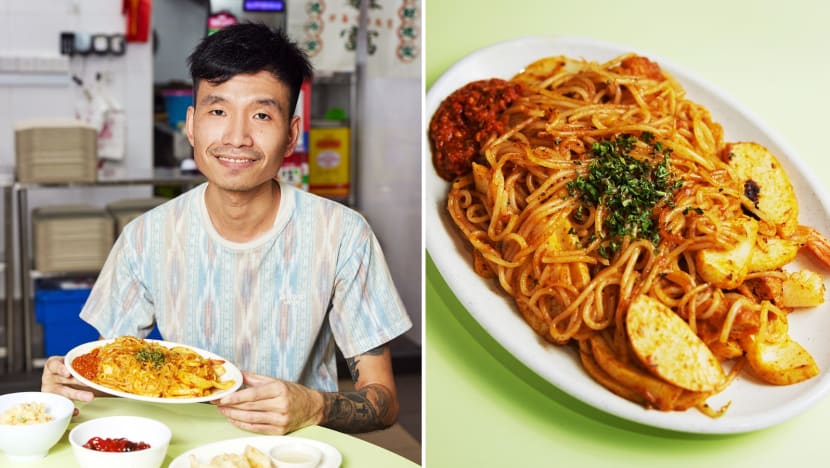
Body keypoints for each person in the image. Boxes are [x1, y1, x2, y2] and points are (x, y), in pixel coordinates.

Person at [41, 22, 412, 435]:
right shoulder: (146, 237)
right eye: (218, 111)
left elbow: (384, 400)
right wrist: (68, 382)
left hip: (297, 451)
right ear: (191, 125)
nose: (237, 137)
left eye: (260, 114)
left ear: (291, 135)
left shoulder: (343, 234)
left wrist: (314, 405)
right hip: (183, 447)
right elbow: (109, 372)